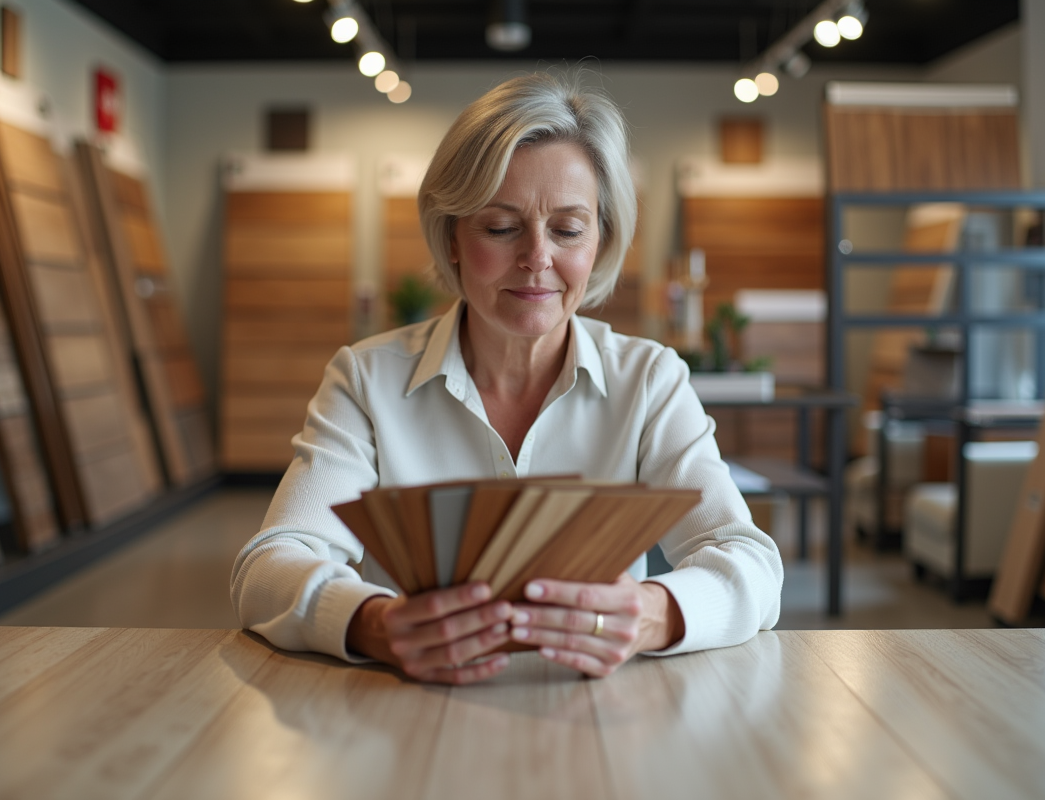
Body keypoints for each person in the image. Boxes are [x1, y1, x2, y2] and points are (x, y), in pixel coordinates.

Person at [230, 71, 783, 685]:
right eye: (500, 227)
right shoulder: (366, 379)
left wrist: (654, 614)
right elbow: (269, 565)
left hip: (600, 717)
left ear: (600, 242)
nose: (537, 258)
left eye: (568, 229)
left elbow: (751, 562)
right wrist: (374, 624)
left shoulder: (649, 380)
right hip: (411, 710)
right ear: (452, 236)